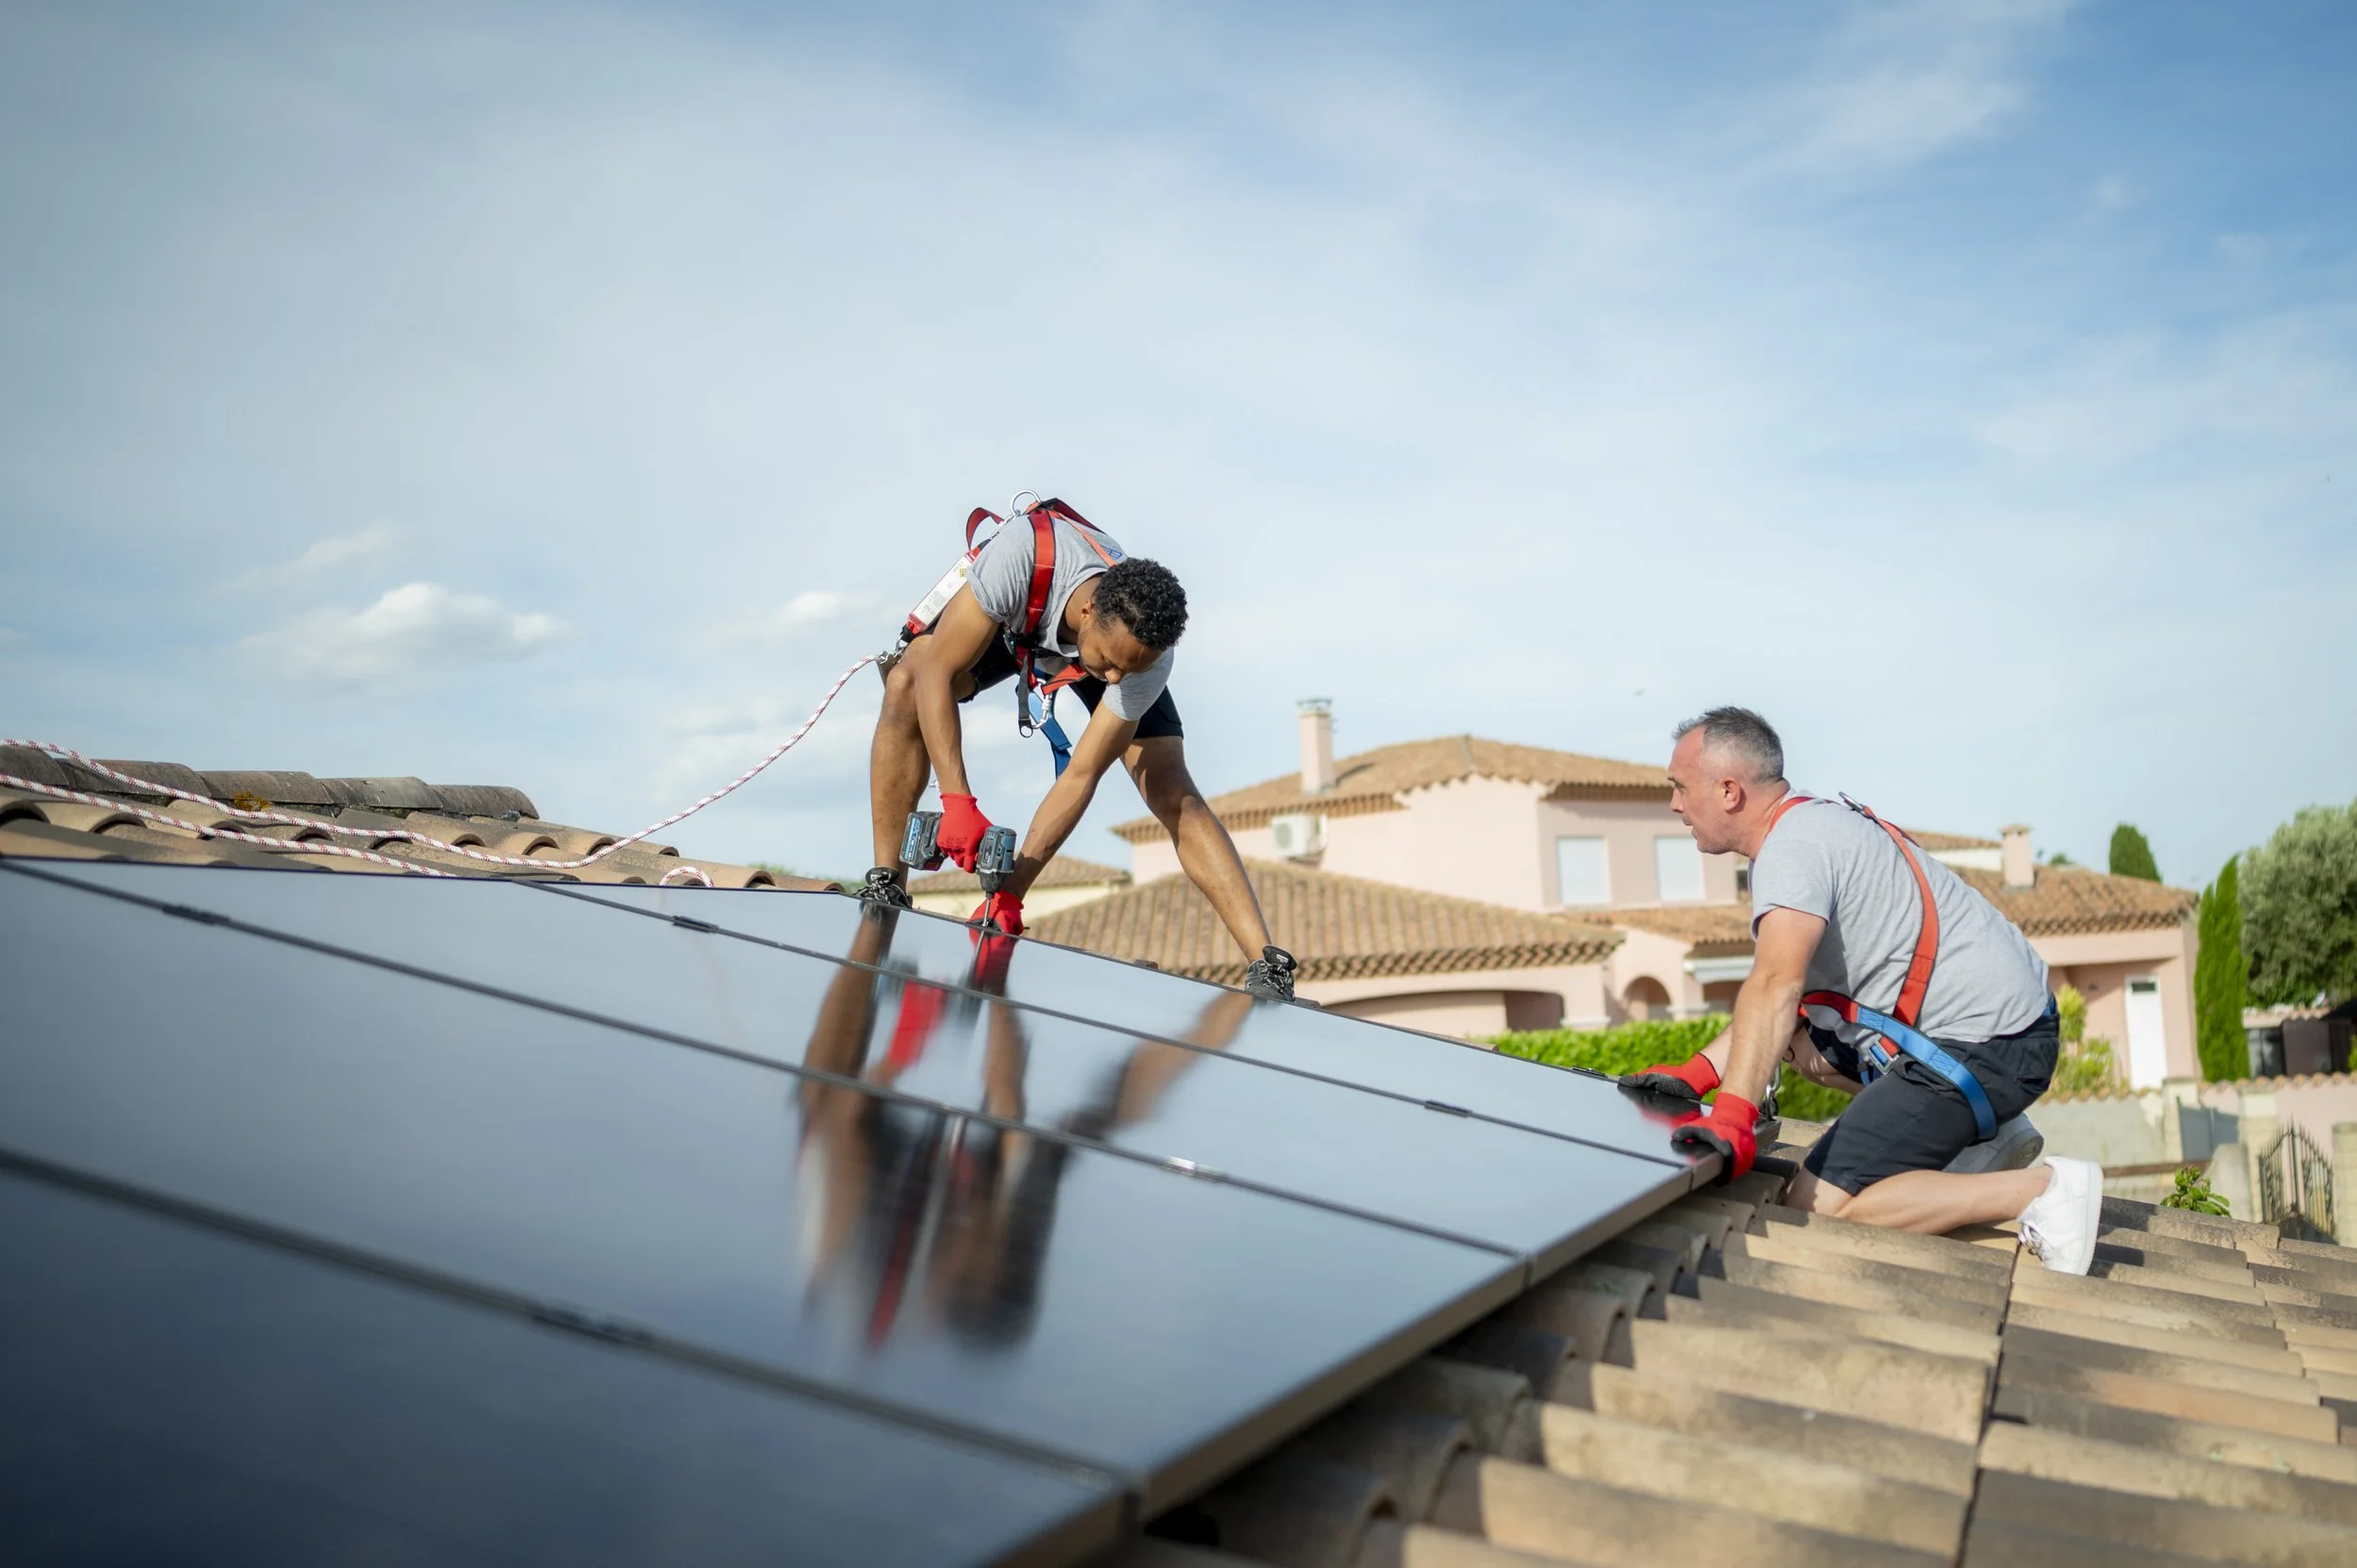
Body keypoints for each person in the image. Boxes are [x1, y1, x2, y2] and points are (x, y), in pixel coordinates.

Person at [1622, 706, 2105, 1273]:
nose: (1675, 804)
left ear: (1729, 791)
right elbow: (1793, 1001)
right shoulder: (1815, 822)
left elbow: (1775, 982)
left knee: (1819, 1207)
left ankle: (2044, 1190)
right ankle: (1982, 1140)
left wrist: (1732, 1113)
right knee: (1808, 1046)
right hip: (2010, 1028)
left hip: (1985, 1045)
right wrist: (1701, 1072)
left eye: (1680, 788)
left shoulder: (1790, 852)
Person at [859, 496, 1297, 1001]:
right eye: (1111, 664)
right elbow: (936, 675)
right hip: (1020, 618)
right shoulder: (1021, 556)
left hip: (1087, 636)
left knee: (1170, 785)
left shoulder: (1143, 660)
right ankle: (888, 882)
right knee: (906, 682)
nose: (1114, 678)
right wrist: (958, 802)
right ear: (1089, 612)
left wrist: (1011, 892)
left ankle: (1268, 966)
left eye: (1126, 671)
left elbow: (1082, 774)